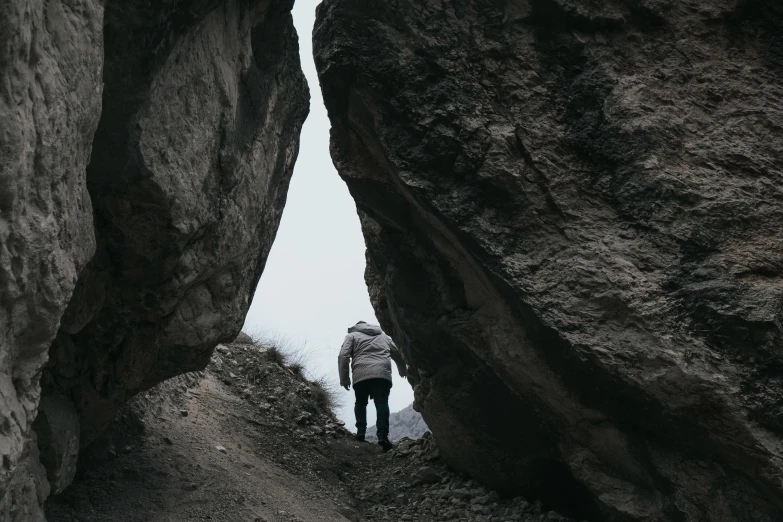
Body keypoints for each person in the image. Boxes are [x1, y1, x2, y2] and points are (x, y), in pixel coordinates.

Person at [338, 321, 406, 451]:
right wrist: (402, 370)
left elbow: (343, 355)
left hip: (360, 374)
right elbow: (397, 353)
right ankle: (382, 436)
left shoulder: (352, 336)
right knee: (382, 403)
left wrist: (344, 379)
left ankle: (361, 432)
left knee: (360, 403)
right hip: (382, 374)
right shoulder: (384, 336)